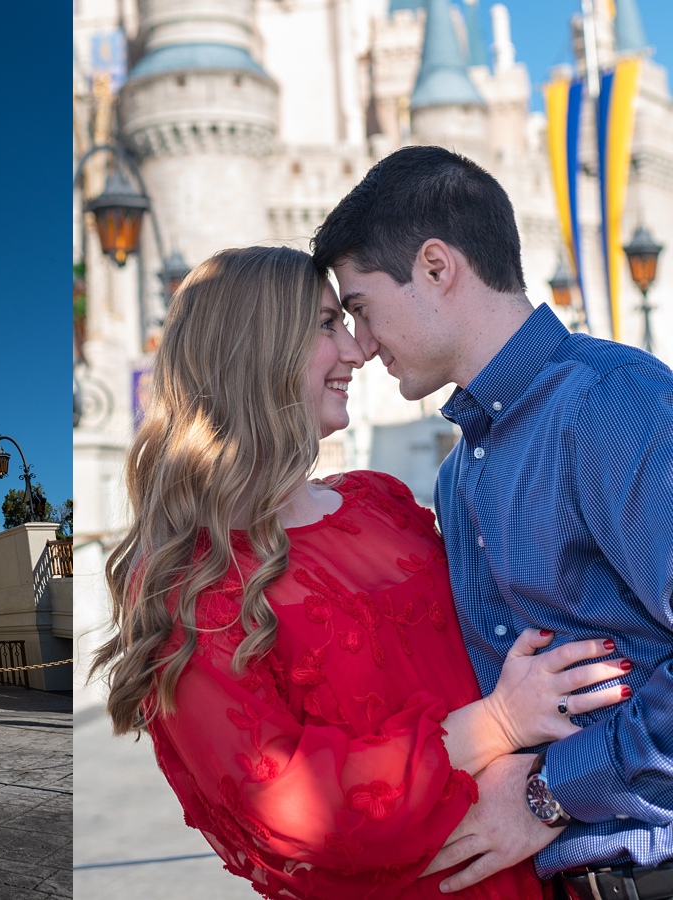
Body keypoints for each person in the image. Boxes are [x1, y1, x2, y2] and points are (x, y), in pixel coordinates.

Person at [90, 245, 628, 898]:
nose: (355, 350)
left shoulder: (384, 504)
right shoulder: (191, 576)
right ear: (253, 352)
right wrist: (499, 725)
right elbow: (284, 810)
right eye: (325, 325)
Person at [311, 144, 673, 897]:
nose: (362, 343)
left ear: (437, 268)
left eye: (361, 307)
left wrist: (552, 794)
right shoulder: (457, 476)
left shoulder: (609, 402)